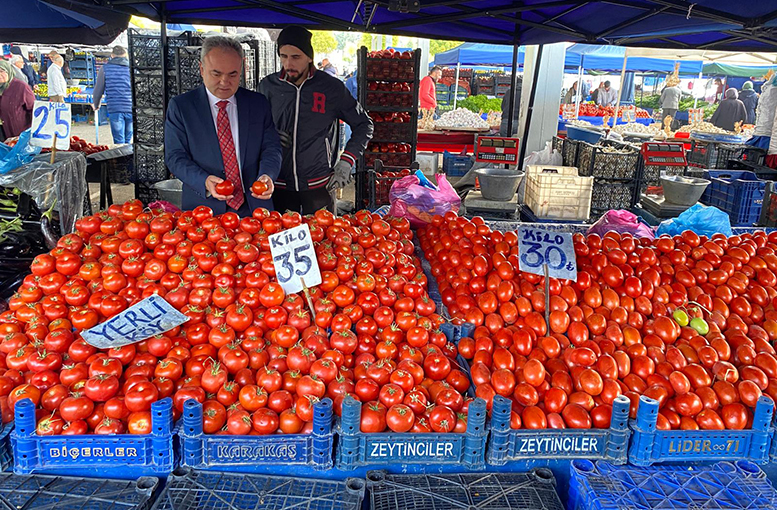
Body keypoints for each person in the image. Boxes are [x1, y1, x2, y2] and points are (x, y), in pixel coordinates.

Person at [259, 25, 373, 214]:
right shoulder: (268, 86)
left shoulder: (331, 87)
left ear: (309, 57)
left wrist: (347, 161)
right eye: (283, 56)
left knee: (322, 232)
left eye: (296, 57)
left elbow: (364, 124)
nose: (288, 63)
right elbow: (255, 126)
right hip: (277, 184)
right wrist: (269, 136)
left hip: (319, 185)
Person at [165, 36, 282, 216]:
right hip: (204, 208)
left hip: (254, 205)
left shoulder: (258, 103)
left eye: (233, 74)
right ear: (202, 69)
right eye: (216, 74)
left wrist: (267, 175)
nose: (224, 82)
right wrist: (204, 181)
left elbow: (271, 148)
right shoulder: (182, 107)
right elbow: (175, 157)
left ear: (242, 69)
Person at [93, 46, 134, 144]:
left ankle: (121, 154)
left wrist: (96, 104)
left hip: (115, 107)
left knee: (119, 140)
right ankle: (128, 153)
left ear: (112, 55)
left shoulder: (105, 69)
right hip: (131, 107)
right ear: (125, 55)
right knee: (128, 140)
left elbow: (98, 89)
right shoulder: (132, 69)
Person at [0, 60, 34, 141]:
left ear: (8, 71)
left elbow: (34, 109)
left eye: (1, 71)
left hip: (20, 135)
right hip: (3, 133)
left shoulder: (21, 87)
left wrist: (31, 132)